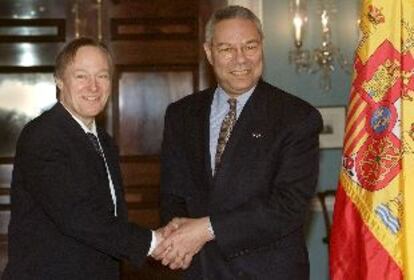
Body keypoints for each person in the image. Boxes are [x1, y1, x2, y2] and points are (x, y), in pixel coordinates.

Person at [153, 5, 323, 280]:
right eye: (227, 49)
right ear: (209, 53)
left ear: (262, 47)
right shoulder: (181, 114)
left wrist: (205, 230)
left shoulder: (297, 117)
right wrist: (177, 238)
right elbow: (173, 193)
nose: (240, 59)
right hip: (200, 269)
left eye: (250, 46)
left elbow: (287, 207)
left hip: (266, 271)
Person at [3, 37, 161, 280]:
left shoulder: (104, 141)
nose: (93, 87)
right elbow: (77, 215)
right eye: (81, 76)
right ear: (59, 81)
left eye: (102, 76)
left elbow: (109, 215)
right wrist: (153, 242)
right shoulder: (43, 136)